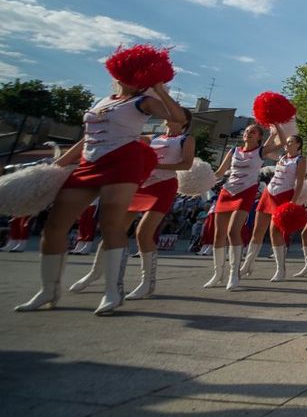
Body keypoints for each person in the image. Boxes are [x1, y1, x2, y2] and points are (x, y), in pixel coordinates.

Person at [16, 78, 182, 314]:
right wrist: (57, 165)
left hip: (122, 162)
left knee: (111, 224)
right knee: (54, 225)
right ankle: (48, 290)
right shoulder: (103, 101)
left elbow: (177, 118)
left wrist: (158, 90)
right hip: (89, 163)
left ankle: (113, 291)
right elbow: (86, 138)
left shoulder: (143, 101)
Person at [118, 106, 195, 299]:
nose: (170, 116)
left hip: (164, 185)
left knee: (143, 233)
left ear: (184, 122)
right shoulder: (152, 138)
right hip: (142, 185)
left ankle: (147, 282)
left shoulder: (186, 139)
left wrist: (155, 164)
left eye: (177, 115)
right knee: (116, 230)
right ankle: (106, 274)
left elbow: (186, 164)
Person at [205, 124, 283, 291]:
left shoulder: (260, 151)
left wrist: (277, 125)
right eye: (247, 131)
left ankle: (234, 274)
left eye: (253, 132)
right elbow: (220, 172)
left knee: (233, 231)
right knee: (218, 235)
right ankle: (218, 274)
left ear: (259, 137)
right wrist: (201, 180)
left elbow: (282, 142)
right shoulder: (233, 151)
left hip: (245, 192)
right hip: (227, 192)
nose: (248, 133)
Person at [240, 132, 307, 281]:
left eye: (290, 142)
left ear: (298, 145)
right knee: (257, 231)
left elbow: (300, 182)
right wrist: (274, 132)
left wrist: (292, 202)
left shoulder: (300, 160)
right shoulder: (281, 156)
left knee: (274, 233)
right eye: (287, 142)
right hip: (268, 194)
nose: (287, 144)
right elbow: (265, 149)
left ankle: (280, 269)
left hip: (284, 195)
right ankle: (247, 264)